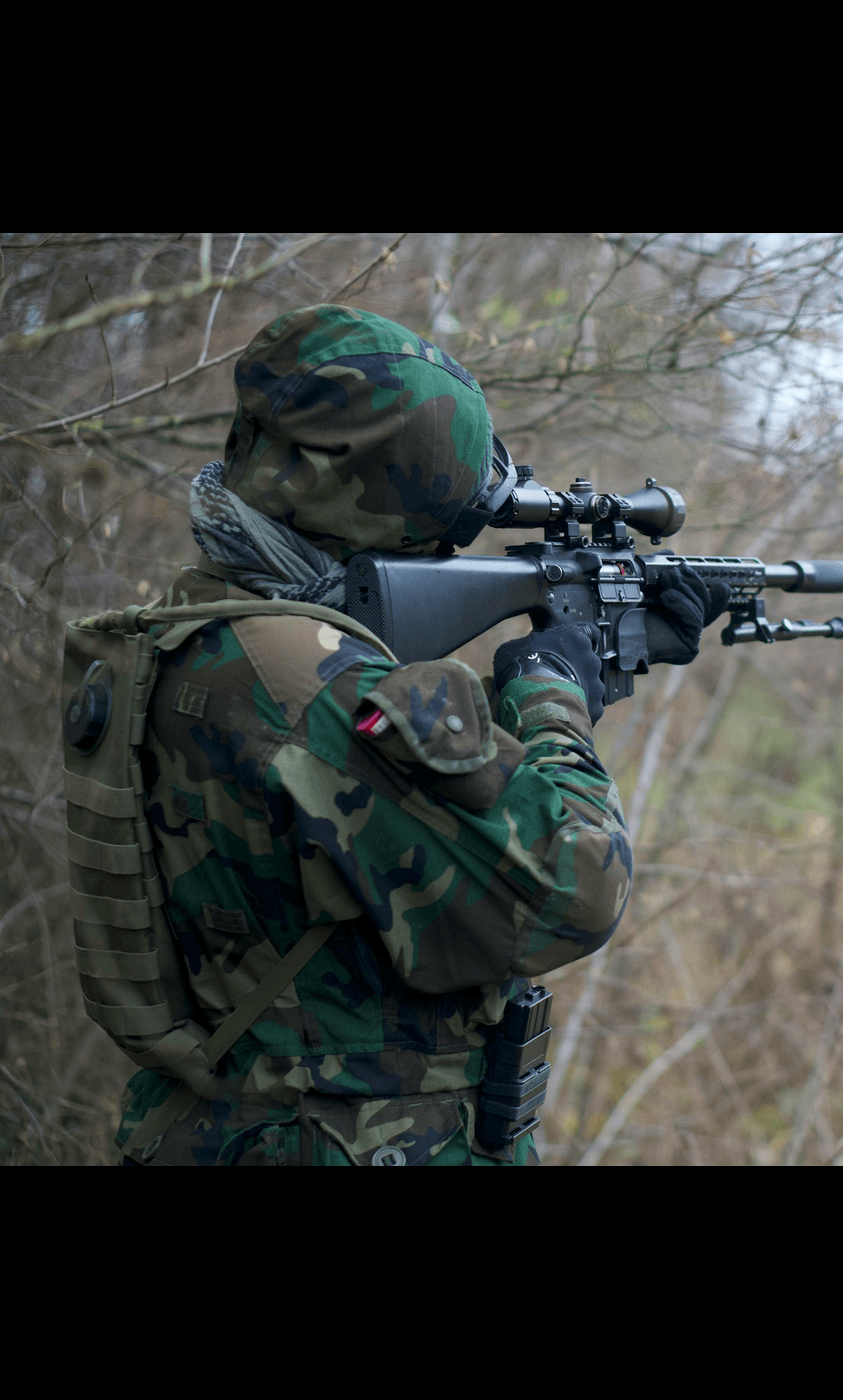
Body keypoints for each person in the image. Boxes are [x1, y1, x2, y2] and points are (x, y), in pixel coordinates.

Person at [108, 303, 725, 1165]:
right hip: (341, 1139)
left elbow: (361, 792)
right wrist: (552, 696)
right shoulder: (310, 683)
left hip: (216, 1126)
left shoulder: (196, 636)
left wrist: (575, 670)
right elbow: (577, 888)